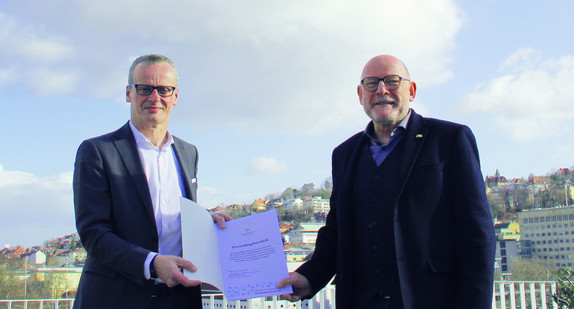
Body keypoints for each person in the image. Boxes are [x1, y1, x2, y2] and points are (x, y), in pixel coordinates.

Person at [277, 55, 496, 309]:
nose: (382, 90)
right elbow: (336, 233)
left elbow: (478, 236)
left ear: (411, 90)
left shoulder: (450, 140)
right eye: (372, 83)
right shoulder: (344, 154)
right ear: (361, 94)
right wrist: (309, 277)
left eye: (392, 81)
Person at [73, 54, 231, 309]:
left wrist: (204, 222)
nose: (154, 97)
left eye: (164, 90)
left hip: (179, 299)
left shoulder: (189, 153)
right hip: (115, 298)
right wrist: (152, 263)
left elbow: (174, 217)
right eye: (144, 88)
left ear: (175, 96)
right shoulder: (97, 151)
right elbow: (94, 233)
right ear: (129, 93)